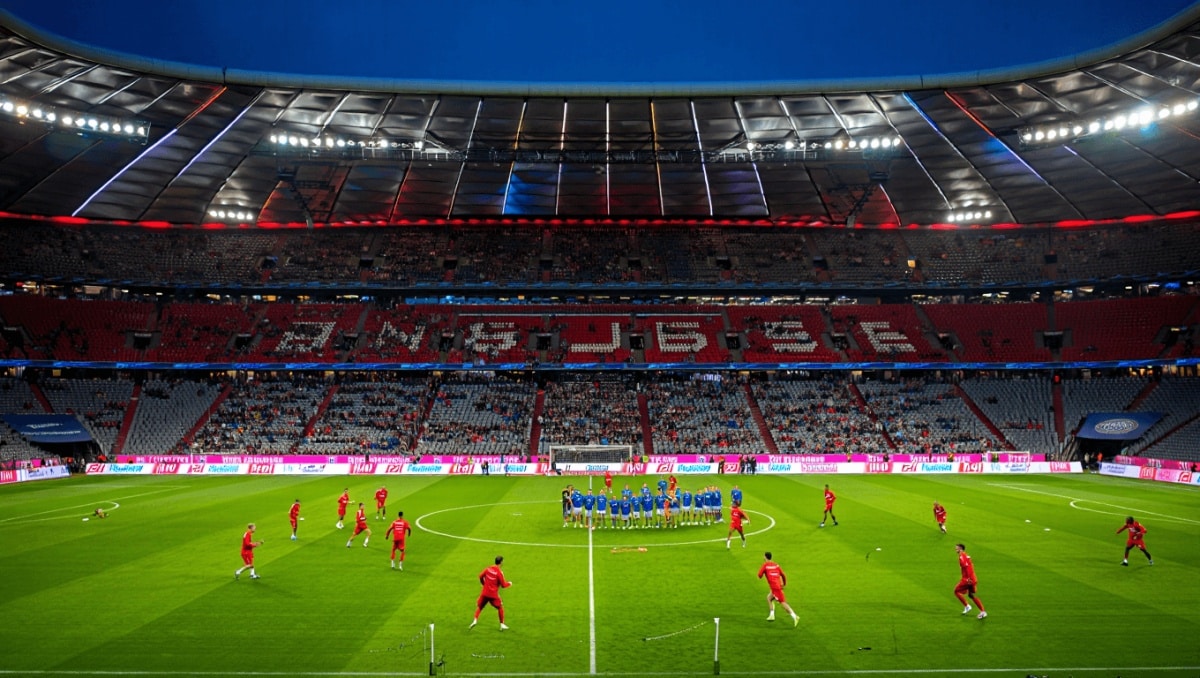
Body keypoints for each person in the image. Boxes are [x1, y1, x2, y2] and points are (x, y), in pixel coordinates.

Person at [470, 555, 512, 631]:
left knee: (480, 607)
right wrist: (509, 583)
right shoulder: (499, 572)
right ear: (501, 562)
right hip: (493, 595)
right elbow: (503, 585)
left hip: (485, 593)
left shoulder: (488, 568)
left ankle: (475, 620)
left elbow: (480, 576)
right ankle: (502, 624)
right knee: (500, 607)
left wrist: (483, 583)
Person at [757, 552, 799, 626]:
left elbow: (759, 575)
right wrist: (784, 583)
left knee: (783, 603)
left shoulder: (765, 565)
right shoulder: (776, 565)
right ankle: (772, 615)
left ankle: (795, 616)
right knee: (769, 598)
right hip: (777, 586)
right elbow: (783, 575)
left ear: (765, 557)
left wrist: (764, 573)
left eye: (764, 556)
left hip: (775, 588)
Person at [954, 543, 987, 619]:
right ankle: (983, 612)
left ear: (961, 549)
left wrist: (968, 578)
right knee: (971, 595)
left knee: (956, 591)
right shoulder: (967, 556)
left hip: (967, 580)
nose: (955, 549)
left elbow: (966, 566)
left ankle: (967, 606)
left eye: (957, 548)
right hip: (973, 578)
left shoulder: (962, 556)